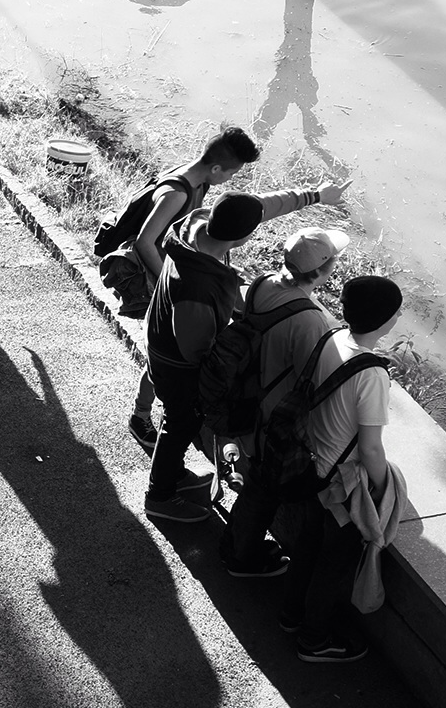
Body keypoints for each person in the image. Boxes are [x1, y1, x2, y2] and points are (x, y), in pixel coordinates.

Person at [143, 180, 349, 523]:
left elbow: (256, 206)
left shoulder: (199, 226)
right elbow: (197, 350)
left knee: (177, 420)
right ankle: (160, 496)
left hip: (161, 342)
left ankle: (173, 473)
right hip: (177, 364)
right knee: (180, 422)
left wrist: (314, 196)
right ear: (243, 236)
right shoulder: (198, 285)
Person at [282, 275, 402, 663]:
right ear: (387, 321)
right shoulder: (372, 374)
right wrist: (384, 489)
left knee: (307, 545)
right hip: (339, 484)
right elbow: (370, 447)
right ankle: (314, 640)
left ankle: (290, 614)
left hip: (310, 467)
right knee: (333, 564)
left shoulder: (332, 338)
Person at [219, 227, 349, 576]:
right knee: (262, 491)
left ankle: (234, 542)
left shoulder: (264, 282)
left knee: (257, 484)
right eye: (333, 260)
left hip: (247, 399)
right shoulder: (309, 320)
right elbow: (314, 378)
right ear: (322, 271)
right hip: (272, 418)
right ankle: (240, 557)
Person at [126, 126, 260, 455]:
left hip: (173, 284)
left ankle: (142, 413)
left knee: (159, 358)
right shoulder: (180, 193)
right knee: (162, 360)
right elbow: (145, 242)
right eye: (232, 173)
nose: (231, 178)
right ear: (217, 169)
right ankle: (141, 417)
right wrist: (171, 284)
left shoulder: (195, 177)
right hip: (167, 287)